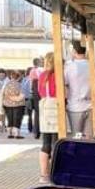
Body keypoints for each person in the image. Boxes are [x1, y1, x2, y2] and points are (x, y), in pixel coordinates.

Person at [63, 40, 95, 137]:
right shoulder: (93, 66)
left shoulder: (69, 67)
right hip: (90, 105)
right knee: (88, 137)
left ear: (73, 51)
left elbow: (64, 85)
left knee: (76, 137)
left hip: (74, 106)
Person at [36, 52, 59, 181]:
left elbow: (39, 92)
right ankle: (55, 172)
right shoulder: (58, 75)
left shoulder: (42, 75)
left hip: (44, 107)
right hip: (56, 107)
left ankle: (43, 174)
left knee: (46, 142)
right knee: (57, 141)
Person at [0, 69, 27, 138]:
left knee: (10, 119)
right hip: (18, 104)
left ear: (11, 76)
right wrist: (16, 99)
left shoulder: (6, 84)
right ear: (18, 77)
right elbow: (22, 95)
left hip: (7, 104)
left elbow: (3, 94)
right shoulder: (20, 85)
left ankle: (10, 133)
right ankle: (17, 134)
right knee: (17, 119)